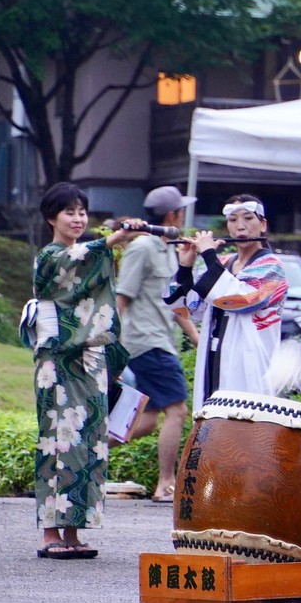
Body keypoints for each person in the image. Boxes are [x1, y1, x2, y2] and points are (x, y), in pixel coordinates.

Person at [27, 182, 141, 557]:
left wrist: (117, 243)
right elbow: (68, 263)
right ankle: (49, 534)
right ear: (51, 217)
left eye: (81, 212)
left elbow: (98, 279)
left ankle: (74, 531)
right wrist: (111, 241)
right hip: (59, 362)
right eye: (69, 212)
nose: (77, 218)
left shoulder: (90, 252)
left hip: (91, 359)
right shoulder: (49, 255)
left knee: (90, 443)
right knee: (58, 441)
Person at [112, 185, 193, 501]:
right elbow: (123, 297)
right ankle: (166, 484)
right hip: (147, 343)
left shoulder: (166, 249)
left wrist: (195, 337)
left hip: (159, 340)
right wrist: (110, 346)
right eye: (181, 211)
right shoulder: (142, 248)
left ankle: (85, 455)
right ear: (172, 215)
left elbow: (173, 303)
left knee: (144, 422)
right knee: (178, 411)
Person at [175, 195, 287, 402]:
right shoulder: (223, 262)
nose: (240, 227)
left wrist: (209, 255)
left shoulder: (272, 267)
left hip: (249, 363)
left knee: (244, 424)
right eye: (233, 220)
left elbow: (240, 300)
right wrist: (185, 267)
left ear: (263, 225)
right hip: (213, 358)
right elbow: (188, 310)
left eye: (248, 218)